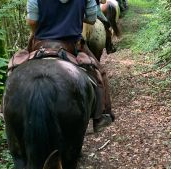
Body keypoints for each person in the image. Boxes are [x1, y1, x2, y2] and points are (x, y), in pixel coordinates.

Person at [26, 0, 114, 132]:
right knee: (99, 72)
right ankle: (101, 115)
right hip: (71, 43)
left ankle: (4, 109)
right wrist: (74, 16)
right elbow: (91, 19)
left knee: (16, 66)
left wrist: (38, 32)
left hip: (42, 42)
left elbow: (32, 21)